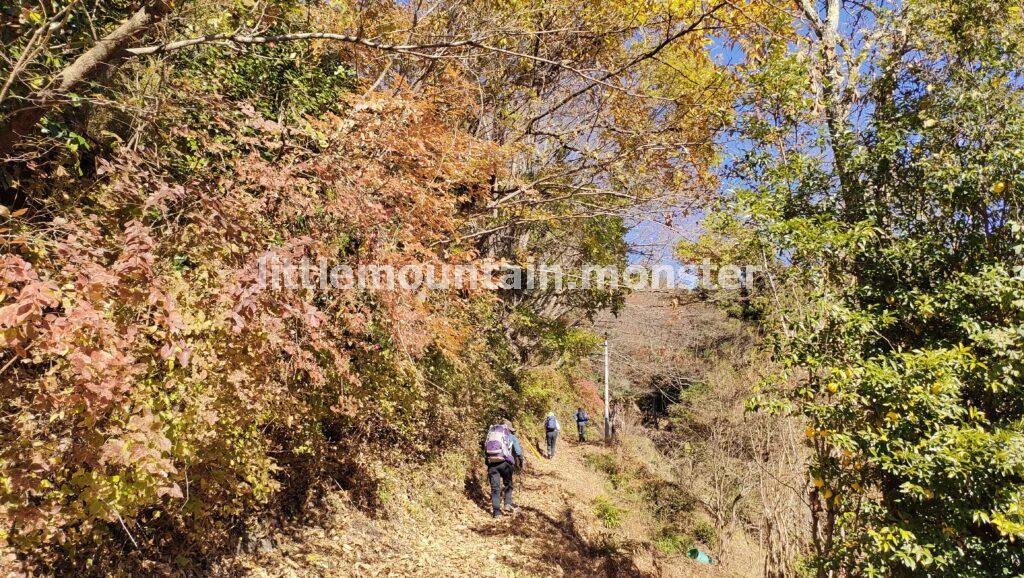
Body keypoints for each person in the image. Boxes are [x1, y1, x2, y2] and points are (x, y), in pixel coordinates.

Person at [482, 420, 524, 518]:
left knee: (495, 488)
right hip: (506, 463)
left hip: (492, 463)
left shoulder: (492, 434)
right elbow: (518, 452)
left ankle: (497, 512)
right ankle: (507, 504)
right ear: (509, 429)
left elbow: (485, 449)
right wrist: (520, 463)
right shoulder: (511, 437)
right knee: (508, 484)